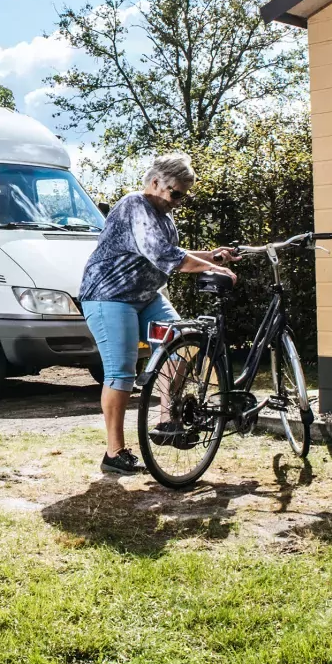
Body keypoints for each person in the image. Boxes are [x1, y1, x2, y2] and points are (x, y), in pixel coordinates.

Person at [78, 152, 236, 475]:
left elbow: (178, 252)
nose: (178, 201)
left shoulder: (163, 215)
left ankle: (167, 420)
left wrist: (213, 257)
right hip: (109, 297)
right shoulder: (135, 206)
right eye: (175, 193)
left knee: (183, 343)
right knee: (121, 372)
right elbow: (168, 257)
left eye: (183, 196)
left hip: (146, 296)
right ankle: (114, 453)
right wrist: (213, 269)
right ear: (155, 183)